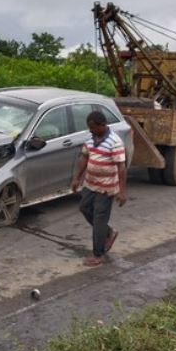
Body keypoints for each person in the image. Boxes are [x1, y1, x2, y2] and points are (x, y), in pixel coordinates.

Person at [71, 110, 127, 267]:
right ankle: (108, 232)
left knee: (99, 218)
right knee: (84, 208)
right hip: (90, 183)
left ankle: (98, 254)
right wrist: (76, 178)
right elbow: (84, 157)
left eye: (93, 127)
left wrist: (122, 191)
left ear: (102, 125)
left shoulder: (115, 142)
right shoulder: (90, 139)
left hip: (106, 188)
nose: (90, 130)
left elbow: (121, 167)